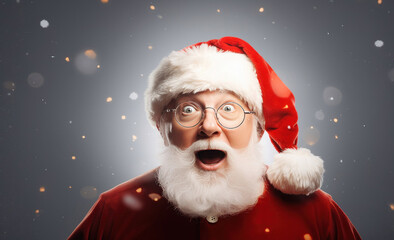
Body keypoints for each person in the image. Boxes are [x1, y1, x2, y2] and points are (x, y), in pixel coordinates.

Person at [68, 37, 361, 240]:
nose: (209, 126)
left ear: (258, 128)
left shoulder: (317, 212)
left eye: (229, 110)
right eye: (188, 110)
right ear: (162, 126)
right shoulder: (115, 210)